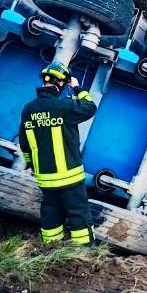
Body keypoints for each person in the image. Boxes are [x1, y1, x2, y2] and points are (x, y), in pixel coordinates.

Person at [19, 62, 97, 246]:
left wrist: (31, 164)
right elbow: (90, 106)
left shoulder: (28, 110)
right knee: (78, 212)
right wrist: (77, 87)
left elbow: (24, 144)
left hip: (45, 177)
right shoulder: (64, 106)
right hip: (69, 177)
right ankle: (84, 251)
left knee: (50, 213)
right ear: (61, 83)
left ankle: (50, 249)